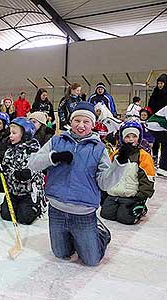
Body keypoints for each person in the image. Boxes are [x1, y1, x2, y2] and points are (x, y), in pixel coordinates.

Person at [28, 102, 127, 266]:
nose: (80, 125)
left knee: (91, 260)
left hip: (83, 212)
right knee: (61, 254)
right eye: (77, 120)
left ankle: (100, 233)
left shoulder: (99, 148)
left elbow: (105, 183)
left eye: (86, 122)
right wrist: (54, 158)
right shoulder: (56, 141)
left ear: (93, 124)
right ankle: (76, 238)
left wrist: (120, 163)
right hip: (57, 209)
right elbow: (32, 164)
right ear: (71, 121)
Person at [100, 121, 155, 225]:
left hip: (131, 195)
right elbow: (109, 173)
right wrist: (105, 192)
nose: (130, 139)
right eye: (127, 136)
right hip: (114, 194)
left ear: (139, 138)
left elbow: (147, 178)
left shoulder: (143, 156)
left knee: (125, 218)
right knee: (106, 214)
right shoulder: (116, 154)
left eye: (134, 136)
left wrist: (141, 197)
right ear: (122, 138)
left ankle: (142, 209)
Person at [0, 118, 45, 224]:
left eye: (14, 133)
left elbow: (36, 169)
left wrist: (27, 174)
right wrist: (2, 171)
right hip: (13, 191)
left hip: (28, 192)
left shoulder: (33, 150)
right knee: (7, 215)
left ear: (25, 134)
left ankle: (37, 205)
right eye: (10, 133)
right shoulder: (10, 150)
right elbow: (6, 166)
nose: (10, 136)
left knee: (24, 218)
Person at [148, 74, 167, 168]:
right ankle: (155, 157)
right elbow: (150, 105)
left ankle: (163, 160)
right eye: (158, 83)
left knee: (165, 141)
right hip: (155, 118)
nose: (160, 85)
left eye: (161, 83)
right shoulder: (155, 93)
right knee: (155, 140)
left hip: (164, 119)